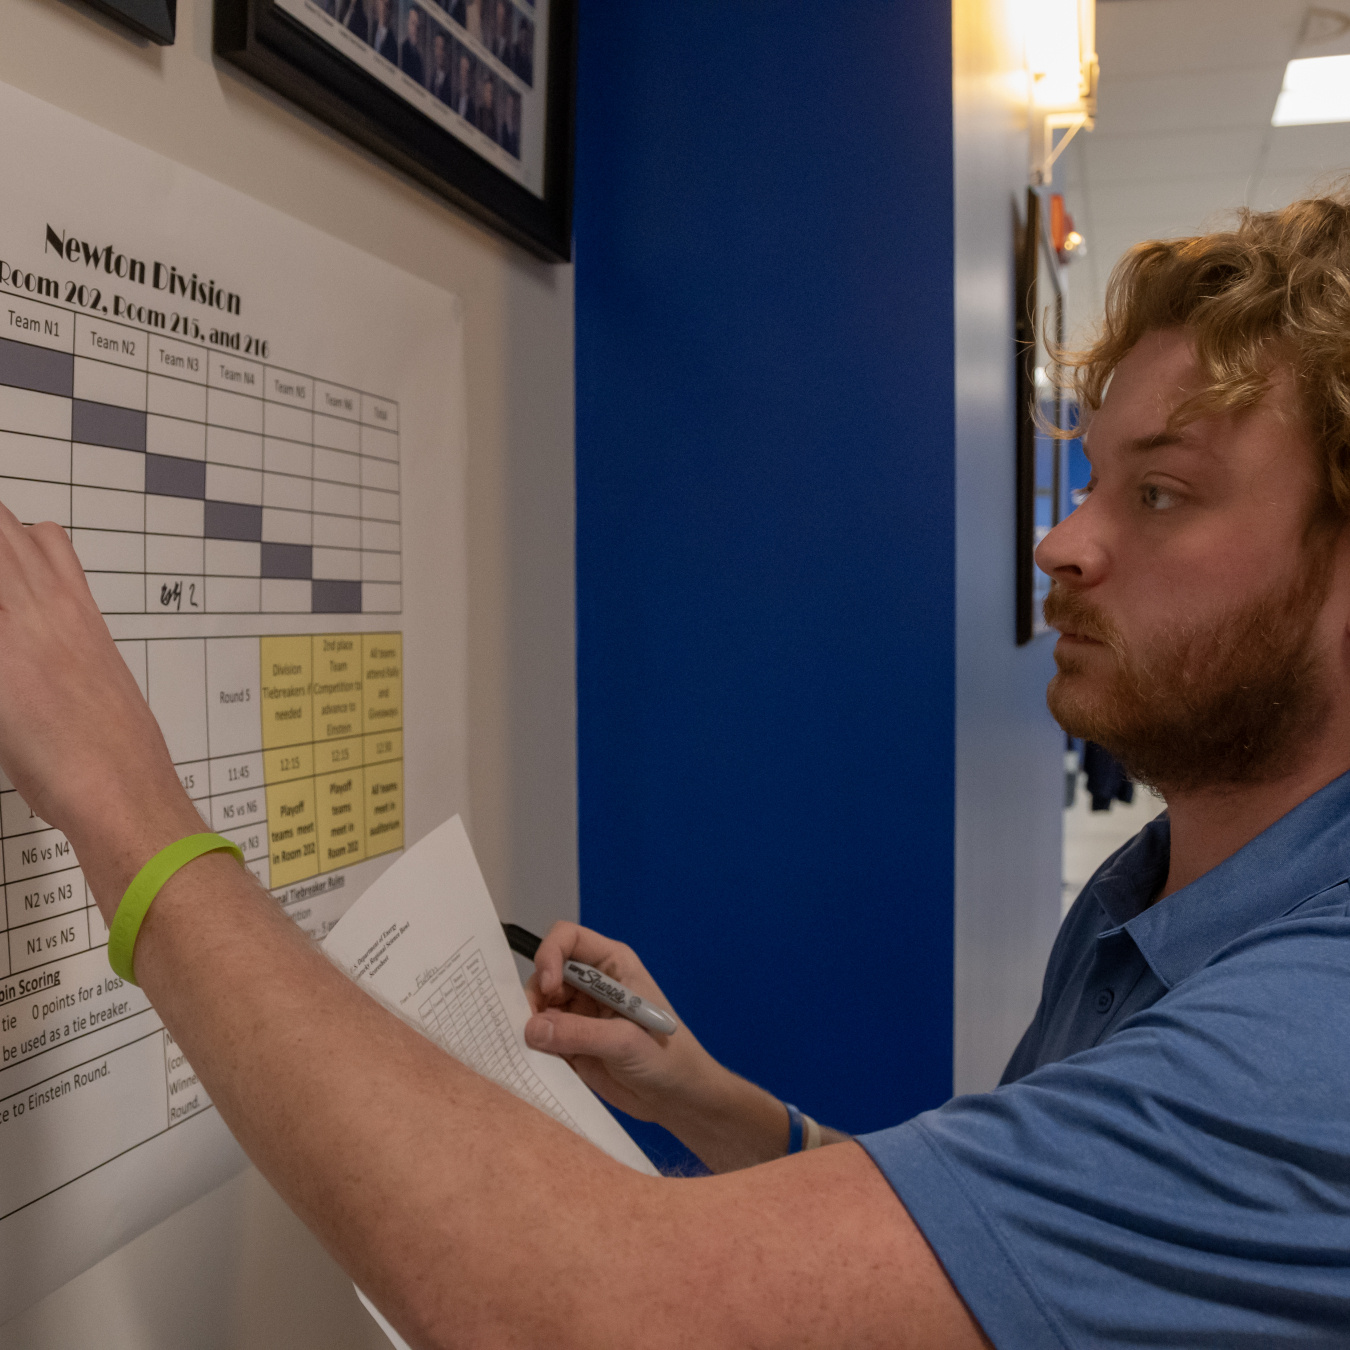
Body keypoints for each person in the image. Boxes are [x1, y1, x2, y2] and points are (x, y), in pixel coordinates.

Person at [1, 193, 1349, 1348]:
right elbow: (991, 1274)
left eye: (1158, 494)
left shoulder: (1307, 1044)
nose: (1063, 543)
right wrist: (710, 1104)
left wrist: (127, 806)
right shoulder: (1154, 890)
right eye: (1091, 480)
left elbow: (582, 1311)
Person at [400, 5, 425, 83]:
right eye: (413, 23)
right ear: (408, 24)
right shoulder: (401, 52)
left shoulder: (419, 58)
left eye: (419, 26)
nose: (416, 29)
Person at [368, 0, 397, 65]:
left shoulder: (393, 44)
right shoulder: (369, 28)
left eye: (387, 6)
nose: (384, 8)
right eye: (382, 3)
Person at [429, 30, 452, 103]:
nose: (439, 52)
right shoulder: (431, 77)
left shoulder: (450, 82)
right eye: (437, 47)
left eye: (442, 48)